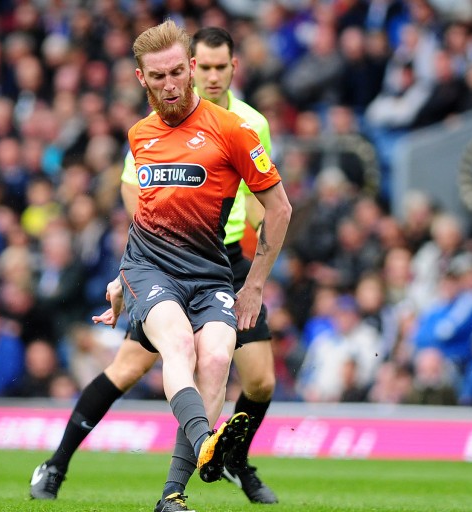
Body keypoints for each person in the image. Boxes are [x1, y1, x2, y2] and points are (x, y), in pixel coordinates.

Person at [29, 22, 292, 512]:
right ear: (142, 78)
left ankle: (222, 465)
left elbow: (271, 206)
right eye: (160, 75)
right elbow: (143, 202)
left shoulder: (246, 126)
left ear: (223, 69)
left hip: (224, 260)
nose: (184, 81)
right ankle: (60, 462)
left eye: (204, 69)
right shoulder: (142, 134)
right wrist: (126, 273)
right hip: (159, 263)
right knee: (139, 363)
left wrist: (257, 278)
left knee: (248, 377)